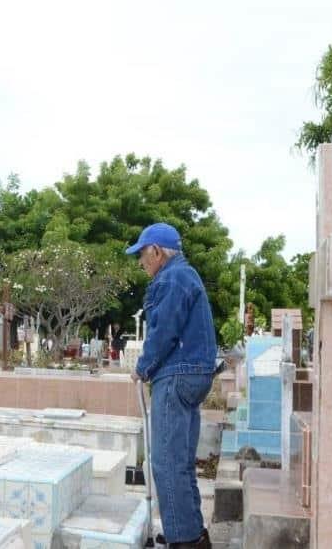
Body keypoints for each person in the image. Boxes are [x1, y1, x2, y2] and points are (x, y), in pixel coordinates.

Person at [126, 222, 216, 549]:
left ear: (157, 251)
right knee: (180, 462)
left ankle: (183, 541)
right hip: (194, 374)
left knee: (165, 463)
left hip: (176, 375)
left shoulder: (173, 277)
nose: (141, 263)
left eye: (142, 255)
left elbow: (164, 331)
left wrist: (142, 368)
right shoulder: (185, 275)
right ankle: (192, 534)